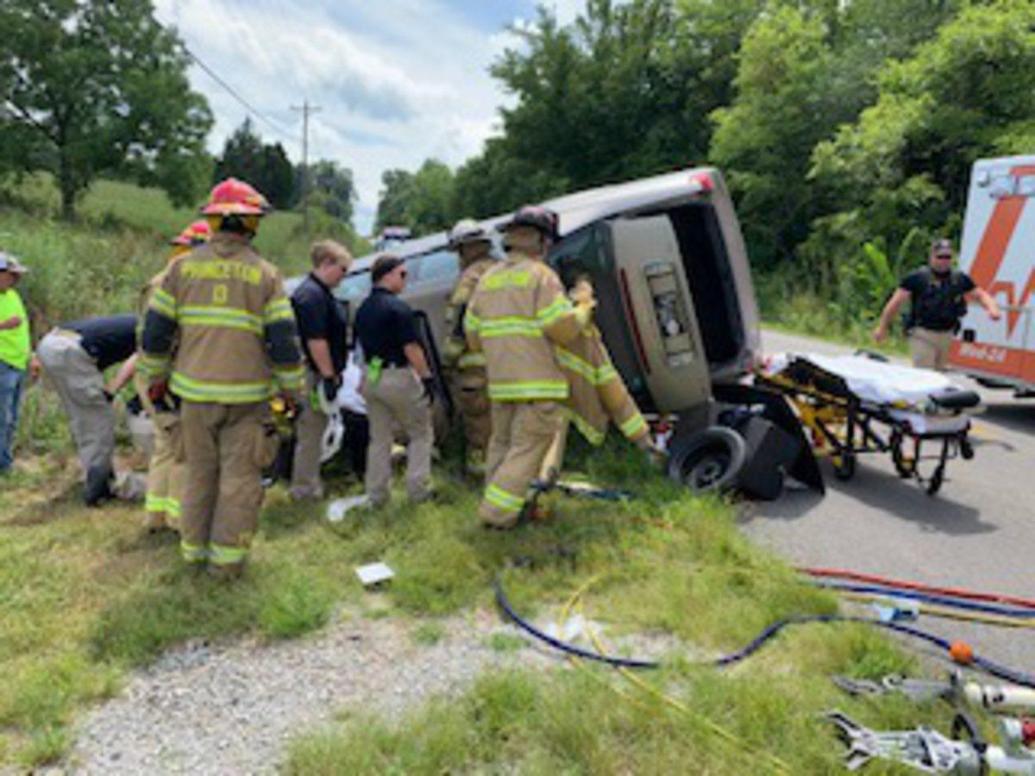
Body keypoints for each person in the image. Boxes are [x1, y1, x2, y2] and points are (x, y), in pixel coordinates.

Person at [140, 178, 303, 579]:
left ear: (214, 222)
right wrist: (292, 390)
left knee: (199, 474)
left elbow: (156, 334)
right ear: (249, 225)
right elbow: (282, 342)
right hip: (247, 401)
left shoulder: (181, 269)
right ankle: (225, 566)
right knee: (239, 480)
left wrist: (154, 380)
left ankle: (193, 556)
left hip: (193, 397)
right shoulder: (266, 275)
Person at [464, 205, 586, 529]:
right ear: (541, 241)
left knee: (501, 446)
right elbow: (560, 328)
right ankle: (495, 515)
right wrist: (582, 311)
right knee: (527, 450)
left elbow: (473, 336)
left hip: (501, 384)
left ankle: (499, 507)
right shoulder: (541, 276)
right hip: (537, 385)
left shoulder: (488, 278)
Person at [135, 219, 211, 531]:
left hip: (152, 373)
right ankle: (179, 520)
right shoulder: (176, 282)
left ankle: (155, 516)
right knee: (185, 449)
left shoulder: (162, 278)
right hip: (166, 376)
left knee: (165, 446)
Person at [354, 255, 434, 508]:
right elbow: (411, 347)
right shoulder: (398, 308)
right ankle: (417, 491)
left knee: (379, 439)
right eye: (402, 274)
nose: (405, 280)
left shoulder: (362, 309)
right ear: (387, 275)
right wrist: (427, 378)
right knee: (420, 432)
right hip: (397, 376)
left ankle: (376, 495)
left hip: (371, 376)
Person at [35, 313, 140, 504]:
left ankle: (97, 478)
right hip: (70, 352)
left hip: (53, 343)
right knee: (98, 418)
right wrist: (112, 389)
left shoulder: (133, 321)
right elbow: (137, 361)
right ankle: (98, 489)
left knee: (84, 417)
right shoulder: (153, 330)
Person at [874, 238, 1001, 370]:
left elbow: (980, 294)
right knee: (925, 374)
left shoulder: (958, 278)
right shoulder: (917, 277)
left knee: (938, 376)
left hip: (947, 334)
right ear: (932, 257)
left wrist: (992, 308)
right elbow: (896, 302)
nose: (944, 261)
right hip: (922, 333)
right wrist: (882, 327)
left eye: (948, 257)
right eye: (940, 257)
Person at [289, 240, 353, 500]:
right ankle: (304, 489)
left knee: (317, 428)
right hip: (314, 374)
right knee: (312, 431)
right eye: (342, 269)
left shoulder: (319, 293)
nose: (343, 277)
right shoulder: (311, 296)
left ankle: (309, 483)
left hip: (321, 372)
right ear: (326, 263)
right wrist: (327, 376)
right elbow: (316, 340)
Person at [443, 219, 496, 477]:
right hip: (509, 363)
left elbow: (460, 320)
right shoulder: (504, 269)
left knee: (479, 424)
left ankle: (481, 476)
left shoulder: (471, 277)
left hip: (476, 366)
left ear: (465, 249)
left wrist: (449, 358)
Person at [0, 251, 30, 476]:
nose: (15, 279)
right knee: (3, 417)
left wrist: (32, 357)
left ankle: (6, 462)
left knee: (12, 417)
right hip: (2, 364)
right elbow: (11, 325)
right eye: (11, 275)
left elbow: (23, 330)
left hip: (17, 364)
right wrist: (2, 325)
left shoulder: (13, 296)